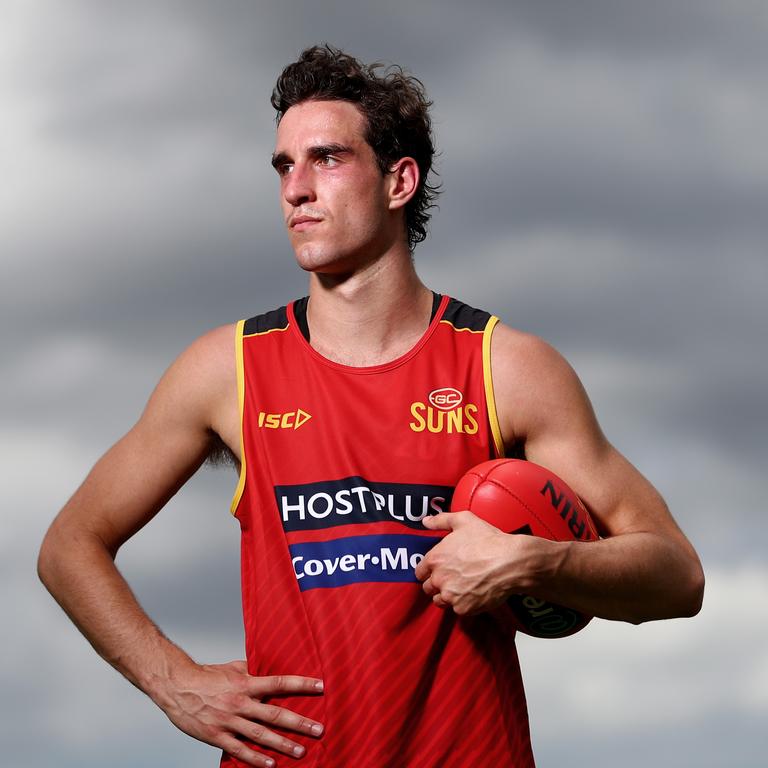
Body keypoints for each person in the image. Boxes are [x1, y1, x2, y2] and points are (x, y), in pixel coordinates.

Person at [38, 44, 704, 768]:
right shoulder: (226, 369)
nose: (296, 189)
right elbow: (69, 547)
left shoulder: (506, 367)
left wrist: (536, 562)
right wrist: (176, 685)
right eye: (284, 166)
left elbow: (676, 575)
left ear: (399, 181)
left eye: (326, 158)